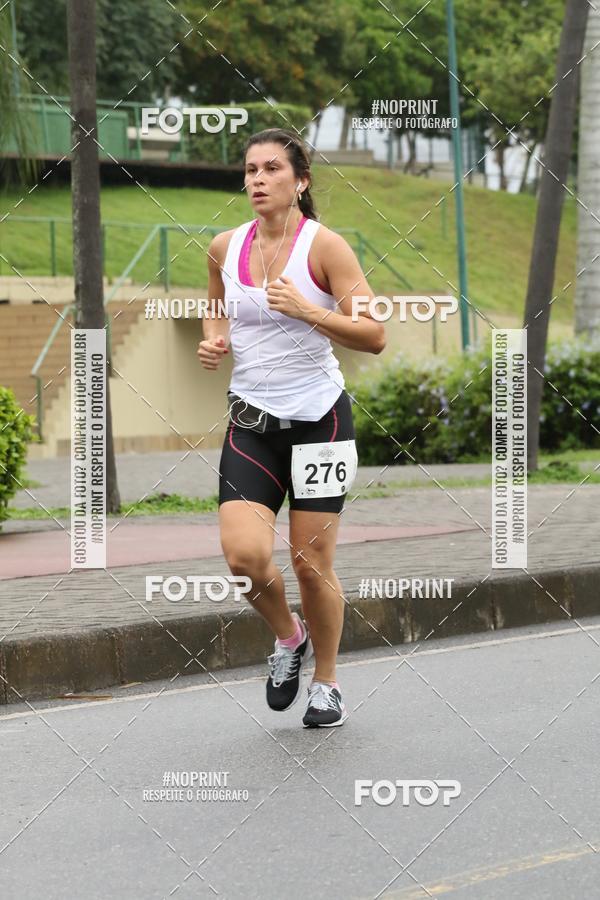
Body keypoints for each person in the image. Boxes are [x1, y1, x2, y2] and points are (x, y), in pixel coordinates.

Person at [198, 128, 385, 727]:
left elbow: (374, 333)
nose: (256, 179)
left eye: (271, 168)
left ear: (300, 181)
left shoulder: (325, 248)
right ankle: (288, 637)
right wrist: (213, 339)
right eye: (250, 169)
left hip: (320, 423)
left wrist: (309, 310)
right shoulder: (225, 246)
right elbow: (213, 302)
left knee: (310, 562)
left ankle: (327, 684)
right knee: (245, 558)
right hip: (251, 423)